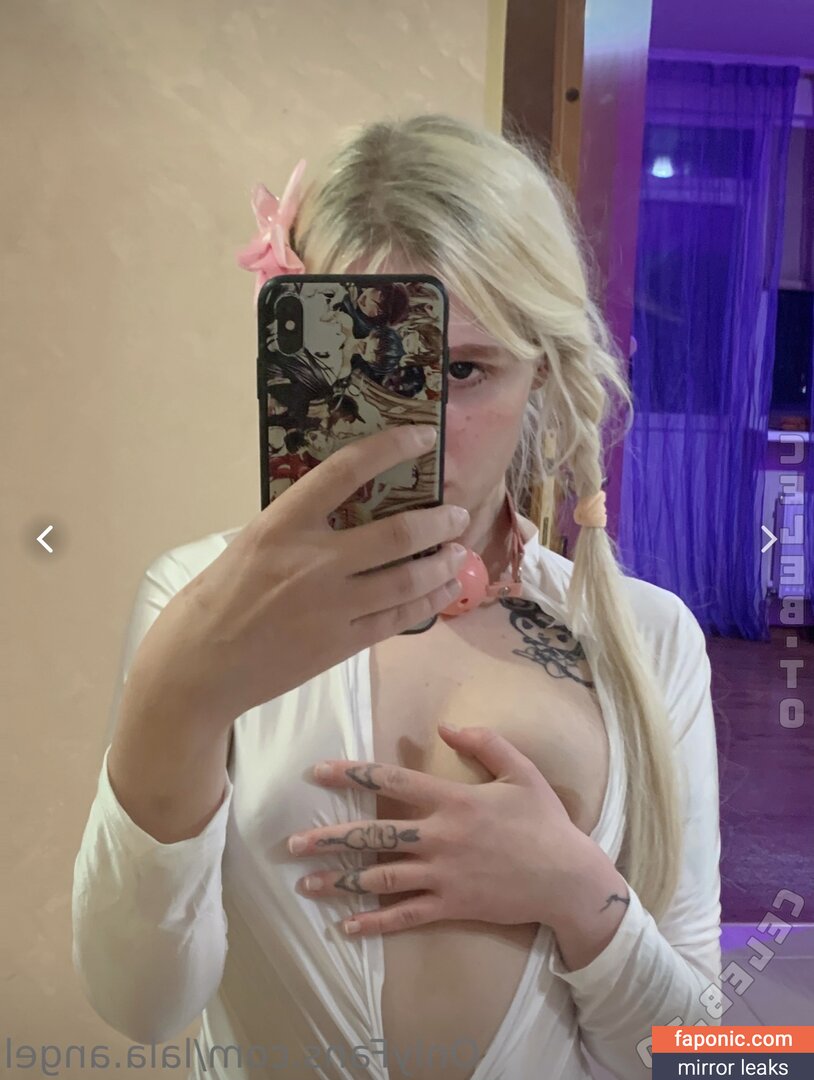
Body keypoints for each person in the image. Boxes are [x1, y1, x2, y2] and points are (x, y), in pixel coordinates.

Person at [72, 113, 722, 1080]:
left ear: (542, 372)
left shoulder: (651, 638)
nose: (416, 430)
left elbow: (708, 1056)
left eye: (466, 369)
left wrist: (574, 891)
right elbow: (140, 1007)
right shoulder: (197, 605)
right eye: (368, 366)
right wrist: (174, 695)